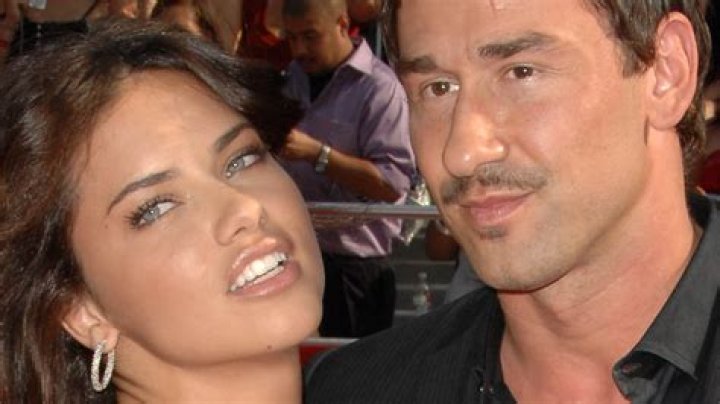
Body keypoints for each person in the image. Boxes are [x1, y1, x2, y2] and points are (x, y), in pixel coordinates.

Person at [305, 0, 720, 402]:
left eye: (521, 72)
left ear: (667, 72)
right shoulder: (355, 390)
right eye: (437, 88)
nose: (461, 153)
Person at [0, 18, 324, 403]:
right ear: (80, 310)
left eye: (242, 159)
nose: (245, 207)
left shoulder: (373, 380)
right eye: (157, 208)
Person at [280, 0, 415, 338]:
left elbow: (392, 184)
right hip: (297, 258)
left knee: (352, 368)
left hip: (355, 269)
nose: (299, 49)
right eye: (291, 38)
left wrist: (318, 154)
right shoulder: (289, 80)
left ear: (342, 24)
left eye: (310, 36)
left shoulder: (380, 89)